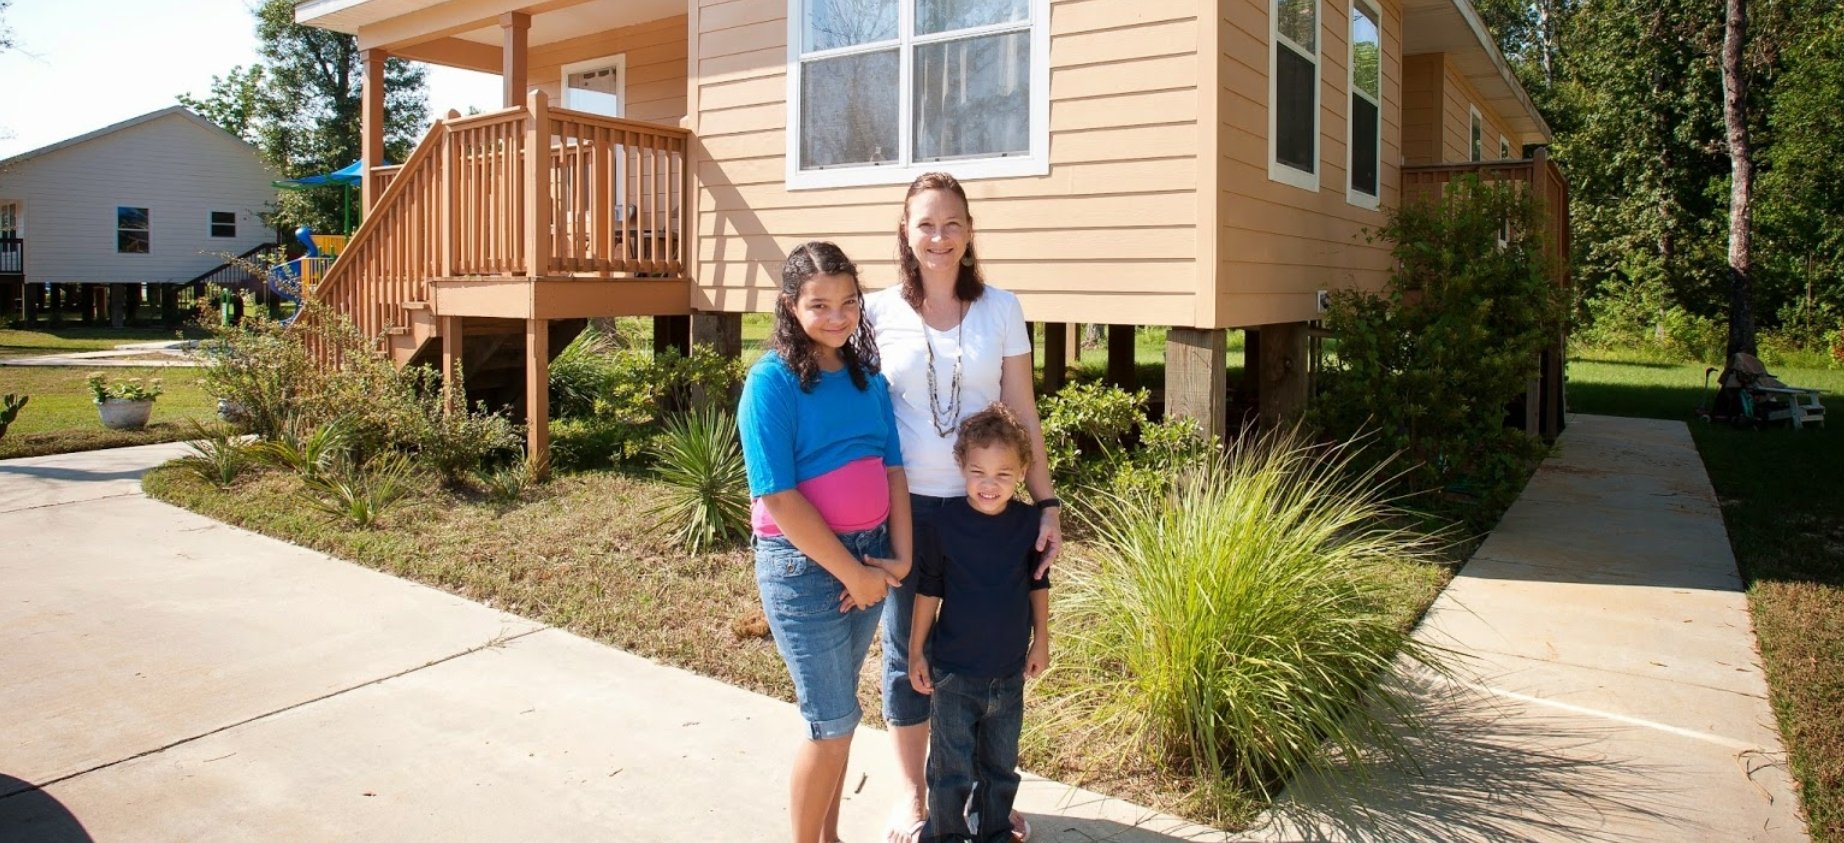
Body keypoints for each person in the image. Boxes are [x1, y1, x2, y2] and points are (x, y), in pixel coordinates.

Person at [866, 172, 1061, 843]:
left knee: (989, 654)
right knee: (908, 649)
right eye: (925, 223)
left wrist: (1047, 503)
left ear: (970, 231)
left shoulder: (1001, 308)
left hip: (989, 512)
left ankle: (988, 791)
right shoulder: (873, 311)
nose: (939, 237)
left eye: (952, 223)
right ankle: (915, 796)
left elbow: (1023, 411)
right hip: (907, 510)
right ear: (904, 230)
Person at [740, 241, 914, 843]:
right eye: (819, 305)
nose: (837, 316)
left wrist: (899, 557)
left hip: (869, 559)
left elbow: (893, 470)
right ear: (791, 307)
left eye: (848, 303)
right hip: (806, 568)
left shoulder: (869, 382)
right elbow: (780, 497)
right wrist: (851, 573)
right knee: (833, 722)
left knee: (839, 718)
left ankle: (829, 837)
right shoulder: (771, 382)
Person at [907, 403, 1051, 843]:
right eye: (978, 472)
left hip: (1008, 674)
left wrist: (1041, 640)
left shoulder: (1029, 523)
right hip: (953, 674)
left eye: (1003, 474)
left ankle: (993, 833)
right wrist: (916, 651)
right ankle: (944, 835)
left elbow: (1039, 585)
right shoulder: (943, 523)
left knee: (1000, 769)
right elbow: (929, 590)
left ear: (1023, 470)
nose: (989, 485)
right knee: (949, 772)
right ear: (961, 465)